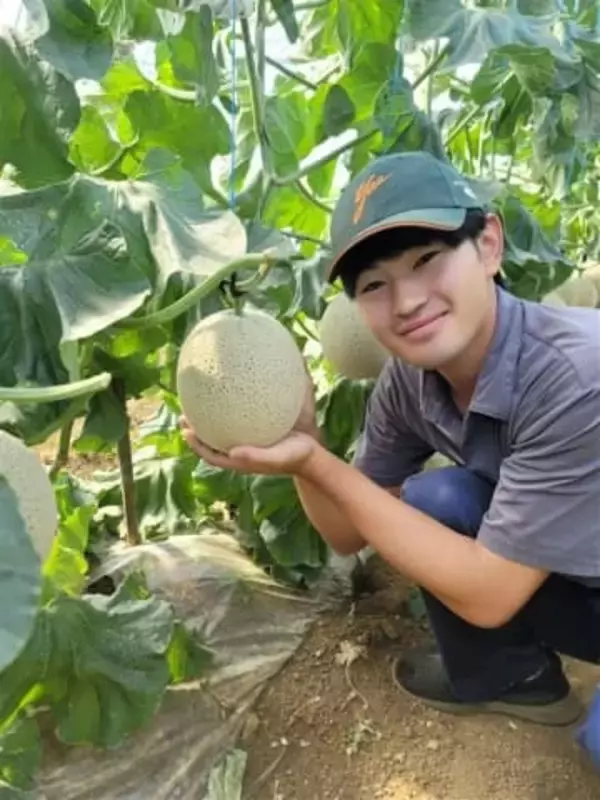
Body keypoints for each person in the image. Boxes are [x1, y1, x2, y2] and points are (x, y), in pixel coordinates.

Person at [182, 152, 600, 745]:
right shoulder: (409, 381)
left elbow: (490, 595)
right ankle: (516, 679)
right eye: (375, 285)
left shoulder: (577, 375)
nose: (405, 302)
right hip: (578, 578)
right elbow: (345, 535)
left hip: (561, 582)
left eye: (426, 260)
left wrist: (318, 462)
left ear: (488, 246)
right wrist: (306, 448)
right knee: (438, 498)